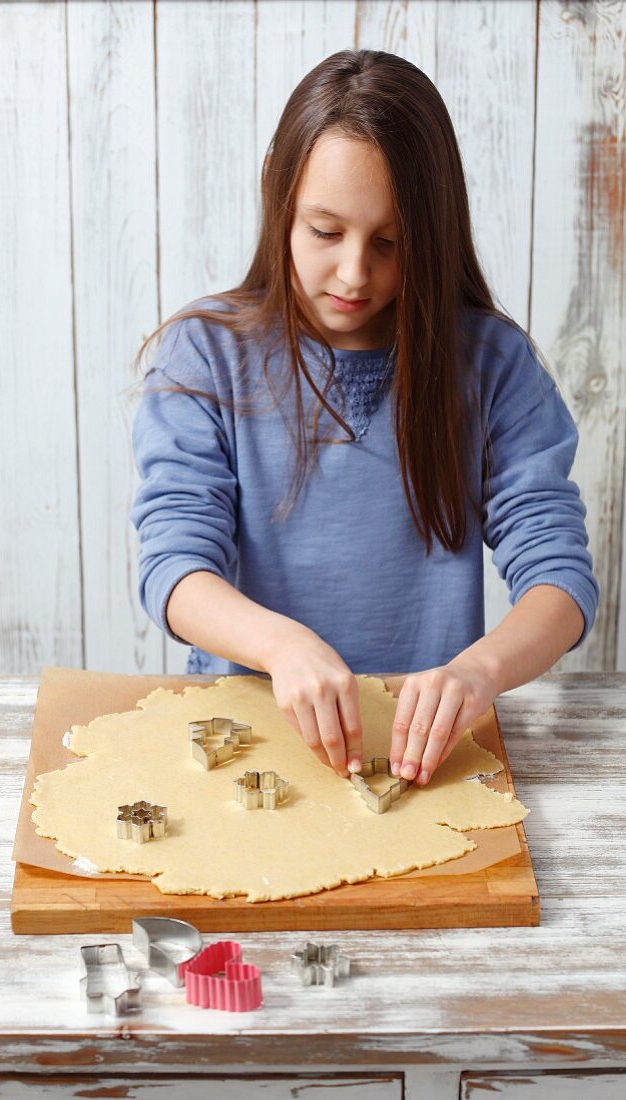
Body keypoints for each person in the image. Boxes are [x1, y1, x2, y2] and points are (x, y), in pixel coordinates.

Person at [128, 49, 599, 789]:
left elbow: (561, 582)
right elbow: (174, 568)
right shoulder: (204, 358)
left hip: (429, 762)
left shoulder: (492, 365)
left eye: (390, 243)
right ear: (276, 197)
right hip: (250, 747)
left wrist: (480, 671)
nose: (354, 273)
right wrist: (282, 647)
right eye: (324, 231)